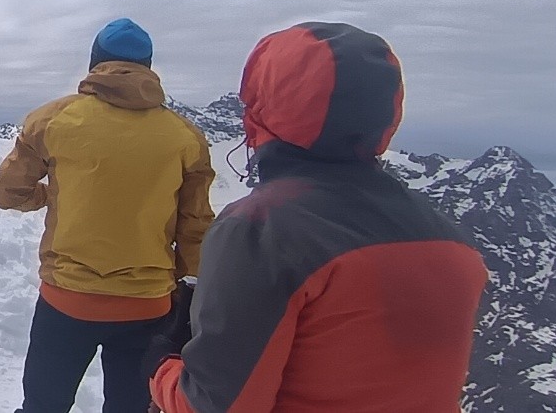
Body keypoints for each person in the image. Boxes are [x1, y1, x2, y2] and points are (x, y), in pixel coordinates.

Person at [145, 22, 488, 413]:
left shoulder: (260, 232)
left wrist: (162, 362)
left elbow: (214, 406)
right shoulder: (452, 240)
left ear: (261, 111)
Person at [0, 18, 216, 413]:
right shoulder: (185, 137)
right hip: (148, 307)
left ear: (95, 63)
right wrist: (190, 298)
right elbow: (195, 229)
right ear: (148, 67)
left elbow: (9, 194)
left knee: (44, 406)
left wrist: (51, 194)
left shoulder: (52, 120)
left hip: (66, 300)